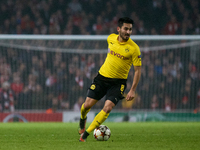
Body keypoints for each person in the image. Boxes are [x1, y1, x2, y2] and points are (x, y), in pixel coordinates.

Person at [78, 17, 142, 142]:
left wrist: (133, 90)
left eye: (130, 29)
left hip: (118, 83)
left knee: (107, 108)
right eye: (125, 29)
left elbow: (138, 70)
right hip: (101, 78)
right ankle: (82, 118)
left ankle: (85, 134)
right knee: (86, 105)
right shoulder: (110, 38)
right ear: (119, 29)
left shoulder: (134, 48)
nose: (128, 32)